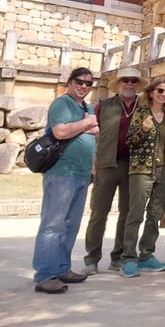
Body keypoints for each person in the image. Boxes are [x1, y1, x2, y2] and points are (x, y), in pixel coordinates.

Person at [33, 67, 98, 293]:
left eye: (88, 83)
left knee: (71, 225)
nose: (83, 86)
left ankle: (62, 267)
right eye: (79, 82)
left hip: (81, 174)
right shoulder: (62, 104)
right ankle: (45, 274)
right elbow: (60, 132)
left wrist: (93, 167)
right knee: (53, 224)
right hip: (61, 173)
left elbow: (96, 132)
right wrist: (87, 124)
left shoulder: (87, 107)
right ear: (70, 83)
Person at [83, 67, 147, 275]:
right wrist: (92, 163)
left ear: (138, 85)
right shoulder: (104, 106)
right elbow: (92, 133)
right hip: (107, 164)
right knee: (99, 213)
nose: (129, 84)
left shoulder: (144, 106)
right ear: (118, 84)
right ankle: (92, 258)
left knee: (128, 214)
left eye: (133, 81)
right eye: (125, 81)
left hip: (134, 165)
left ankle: (119, 257)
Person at [119, 78, 165, 278]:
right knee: (135, 214)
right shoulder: (141, 113)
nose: (163, 94)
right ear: (151, 92)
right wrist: (143, 129)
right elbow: (130, 141)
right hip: (142, 169)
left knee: (155, 215)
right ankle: (128, 257)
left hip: (164, 170)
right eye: (159, 90)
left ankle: (146, 254)